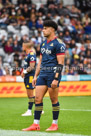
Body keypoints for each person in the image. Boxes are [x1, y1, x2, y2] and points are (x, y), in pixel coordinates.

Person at [22, 20, 65, 131]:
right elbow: (40, 61)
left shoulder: (59, 44)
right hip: (43, 74)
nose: (43, 30)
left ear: (52, 29)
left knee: (53, 99)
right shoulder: (43, 44)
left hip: (52, 74)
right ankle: (36, 124)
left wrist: (56, 78)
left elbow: (60, 63)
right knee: (37, 98)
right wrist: (36, 76)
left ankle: (54, 124)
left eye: (45, 28)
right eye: (43, 28)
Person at [21, 40, 36, 116]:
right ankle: (40, 107)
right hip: (27, 76)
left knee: (30, 94)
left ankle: (29, 111)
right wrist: (23, 71)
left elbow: (32, 67)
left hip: (30, 76)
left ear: (26, 46)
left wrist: (24, 72)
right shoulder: (28, 55)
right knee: (29, 94)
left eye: (23, 45)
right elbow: (27, 66)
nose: (22, 47)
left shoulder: (32, 55)